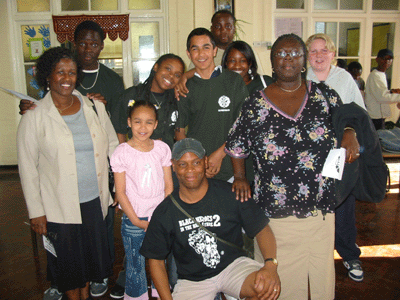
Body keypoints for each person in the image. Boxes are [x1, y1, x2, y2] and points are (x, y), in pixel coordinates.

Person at [225, 34, 360, 299]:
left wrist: (350, 131)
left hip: (320, 209)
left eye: (294, 54)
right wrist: (240, 176)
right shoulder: (254, 104)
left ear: (304, 61)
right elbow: (236, 145)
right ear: (273, 62)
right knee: (281, 286)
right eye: (281, 54)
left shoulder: (324, 95)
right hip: (275, 215)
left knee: (321, 281)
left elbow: (347, 120)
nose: (288, 59)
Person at [19, 20, 125, 299]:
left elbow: (113, 146)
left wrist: (120, 188)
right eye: (60, 72)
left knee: (90, 267)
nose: (66, 78)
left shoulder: (94, 106)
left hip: (93, 202)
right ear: (47, 77)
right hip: (57, 209)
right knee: (68, 272)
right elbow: (28, 168)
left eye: (72, 73)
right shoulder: (34, 117)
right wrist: (36, 212)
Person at [140, 138, 281, 300]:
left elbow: (262, 229)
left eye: (196, 162)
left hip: (233, 267)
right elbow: (155, 260)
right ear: (174, 166)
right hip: (194, 280)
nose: (190, 170)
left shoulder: (230, 193)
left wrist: (270, 265)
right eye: (182, 164)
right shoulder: (166, 211)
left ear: (205, 162)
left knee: (264, 287)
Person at [306, 33, 366, 282]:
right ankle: (313, 255)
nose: (318, 55)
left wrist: (350, 132)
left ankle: (350, 255)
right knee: (312, 206)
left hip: (339, 154)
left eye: (324, 50)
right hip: (309, 155)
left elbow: (360, 113)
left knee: (342, 205)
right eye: (313, 51)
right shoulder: (301, 79)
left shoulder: (344, 78)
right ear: (307, 55)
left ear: (332, 54)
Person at [110, 100, 173, 300]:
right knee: (134, 262)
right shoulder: (121, 152)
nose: (142, 127)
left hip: (159, 218)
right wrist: (136, 220)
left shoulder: (162, 149)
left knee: (158, 260)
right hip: (133, 219)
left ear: (155, 124)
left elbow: (168, 186)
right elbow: (120, 192)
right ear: (129, 122)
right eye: (137, 122)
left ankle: (159, 291)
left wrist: (162, 216)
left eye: (148, 122)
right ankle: (136, 296)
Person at [174, 28, 249, 182]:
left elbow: (244, 124)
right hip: (198, 170)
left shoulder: (233, 81)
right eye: (195, 49)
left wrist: (220, 154)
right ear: (188, 54)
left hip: (231, 167)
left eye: (206, 48)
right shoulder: (185, 87)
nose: (201, 54)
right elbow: (180, 130)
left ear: (215, 50)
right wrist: (196, 161)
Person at [175, 10, 265, 99]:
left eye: (228, 26)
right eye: (218, 26)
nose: (223, 30)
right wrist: (185, 76)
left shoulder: (246, 51)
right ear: (211, 29)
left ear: (234, 29)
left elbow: (258, 78)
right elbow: (196, 72)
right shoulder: (206, 54)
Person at [113, 54, 185, 149]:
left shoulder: (177, 98)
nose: (171, 76)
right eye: (168, 69)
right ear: (156, 67)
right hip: (137, 158)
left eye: (177, 75)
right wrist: (123, 155)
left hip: (167, 160)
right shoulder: (132, 95)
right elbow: (119, 131)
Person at [364, 48, 400, 130]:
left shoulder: (381, 74)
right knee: (378, 140)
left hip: (379, 117)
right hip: (375, 118)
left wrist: (391, 91)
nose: (387, 61)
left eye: (389, 59)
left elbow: (381, 92)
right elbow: (382, 97)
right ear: (377, 60)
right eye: (384, 59)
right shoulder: (375, 76)